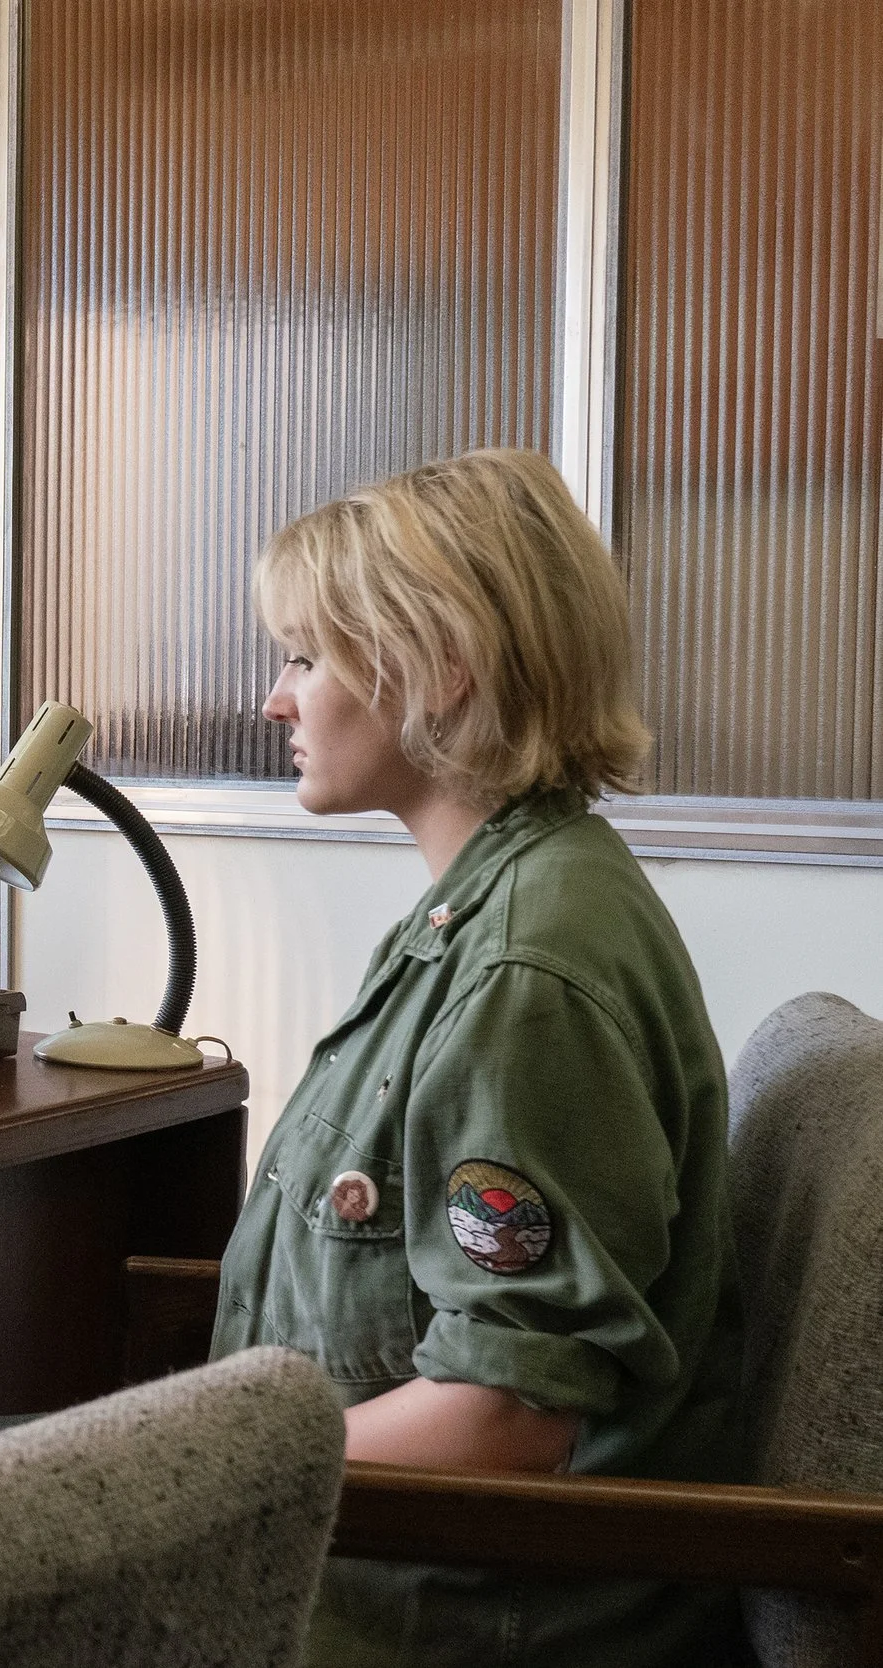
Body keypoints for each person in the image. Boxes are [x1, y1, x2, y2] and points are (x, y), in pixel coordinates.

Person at [212, 448, 744, 1664]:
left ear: (438, 666)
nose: (276, 701)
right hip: (387, 1557)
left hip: (460, 1614)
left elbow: (507, 1418)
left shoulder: (522, 969)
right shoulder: (501, 899)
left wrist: (196, 1478)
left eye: (303, 658)